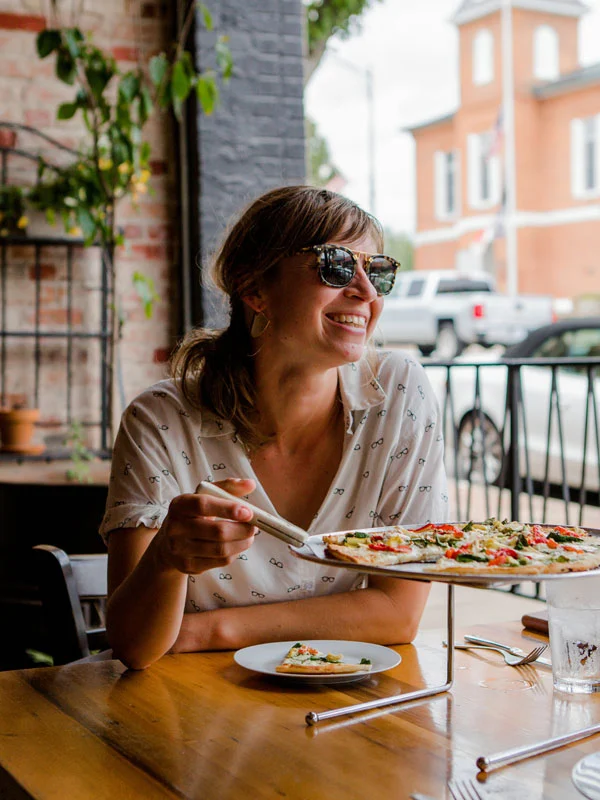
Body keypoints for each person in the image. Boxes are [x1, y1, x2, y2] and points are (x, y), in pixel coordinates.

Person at [100, 186, 448, 670]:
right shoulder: (159, 422)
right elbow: (136, 647)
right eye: (337, 266)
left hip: (343, 698)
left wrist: (204, 630)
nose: (366, 293)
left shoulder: (399, 394)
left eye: (378, 272)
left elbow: (398, 612)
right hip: (187, 712)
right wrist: (165, 559)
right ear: (254, 289)